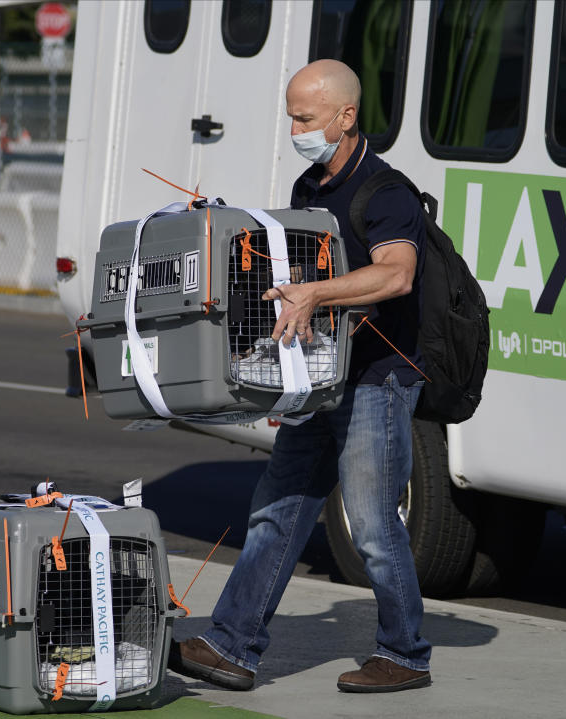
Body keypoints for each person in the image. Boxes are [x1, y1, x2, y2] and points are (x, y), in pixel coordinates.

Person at [169, 59, 431, 694]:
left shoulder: (386, 190)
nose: (296, 129)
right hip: (322, 375)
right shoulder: (310, 187)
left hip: (377, 377)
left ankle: (405, 653)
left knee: (371, 524)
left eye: (306, 118)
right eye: (291, 117)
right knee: (278, 510)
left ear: (345, 117)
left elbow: (396, 274)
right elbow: (293, 282)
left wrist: (317, 295)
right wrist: (289, 376)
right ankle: (231, 646)